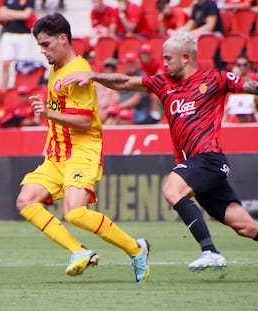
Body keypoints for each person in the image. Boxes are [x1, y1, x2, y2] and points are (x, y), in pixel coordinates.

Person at [61, 30, 258, 281]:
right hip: (196, 166)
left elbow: (257, 87)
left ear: (186, 57)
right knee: (246, 226)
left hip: (208, 158)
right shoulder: (163, 83)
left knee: (172, 190)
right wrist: (93, 75)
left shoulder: (216, 79)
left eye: (168, 58)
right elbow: (125, 82)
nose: (164, 63)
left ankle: (210, 251)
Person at [16, 12, 150, 284]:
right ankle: (79, 251)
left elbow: (84, 121)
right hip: (57, 154)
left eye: (46, 44)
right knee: (25, 200)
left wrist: (48, 115)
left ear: (63, 39)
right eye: (40, 45)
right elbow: (59, 110)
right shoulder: (55, 68)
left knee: (74, 212)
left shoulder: (78, 72)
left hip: (82, 150)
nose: (42, 51)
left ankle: (136, 250)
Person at [0, 0, 36, 90]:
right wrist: (20, 14)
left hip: (24, 34)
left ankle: (21, 89)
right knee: (5, 63)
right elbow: (1, 14)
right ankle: (3, 90)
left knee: (23, 65)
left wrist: (9, 14)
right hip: (8, 33)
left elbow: (26, 15)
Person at [95, 58, 121, 124]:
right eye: (107, 68)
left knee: (111, 119)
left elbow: (115, 102)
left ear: (115, 71)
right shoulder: (97, 83)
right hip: (96, 111)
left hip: (109, 114)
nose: (109, 71)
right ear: (104, 69)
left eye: (112, 69)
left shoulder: (118, 85)